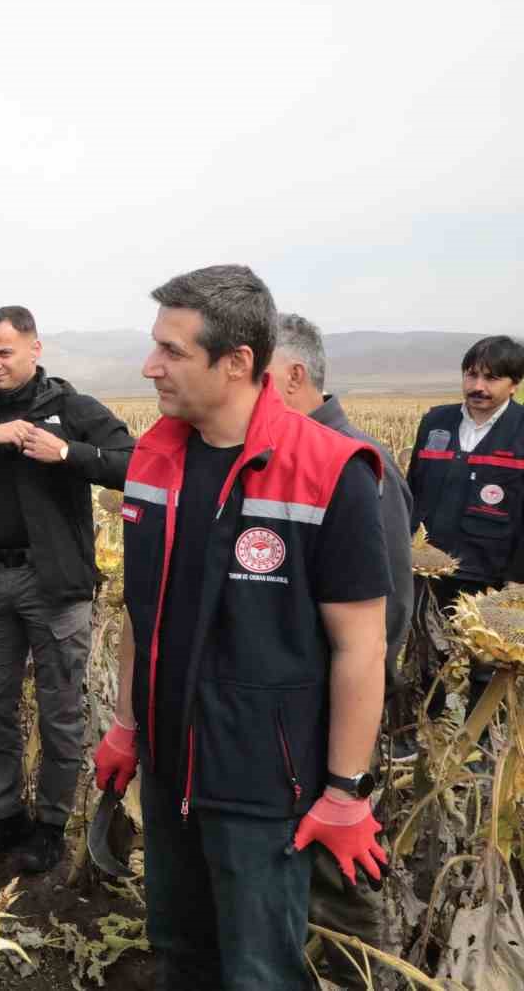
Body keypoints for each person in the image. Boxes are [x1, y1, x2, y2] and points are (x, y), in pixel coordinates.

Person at [94, 266, 390, 990]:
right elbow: (142, 610)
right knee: (179, 947)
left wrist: (346, 792)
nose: (148, 366)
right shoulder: (153, 460)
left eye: (171, 351)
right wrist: (129, 726)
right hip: (169, 769)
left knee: (260, 970)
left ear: (236, 364)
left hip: (265, 784)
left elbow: (362, 644)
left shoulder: (329, 471)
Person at [0, 305, 134, 877]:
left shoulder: (71, 408)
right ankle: (4, 818)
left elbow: (134, 463)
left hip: (55, 586)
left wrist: (67, 454)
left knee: (59, 711)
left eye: (5, 352)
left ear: (35, 349)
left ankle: (50, 826)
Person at [269, 311, 413, 988]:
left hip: (334, 726)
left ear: (295, 377)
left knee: (342, 881)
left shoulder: (358, 469)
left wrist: (344, 757)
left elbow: (381, 626)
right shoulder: (280, 457)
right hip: (293, 724)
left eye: (258, 377)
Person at [406, 335, 524, 713]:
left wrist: (518, 578)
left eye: (491, 378)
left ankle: (482, 740)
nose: (478, 387)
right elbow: (413, 492)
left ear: (514, 384)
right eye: (471, 375)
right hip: (431, 569)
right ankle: (422, 730)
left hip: (491, 569)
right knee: (424, 653)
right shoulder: (435, 422)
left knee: (487, 664)